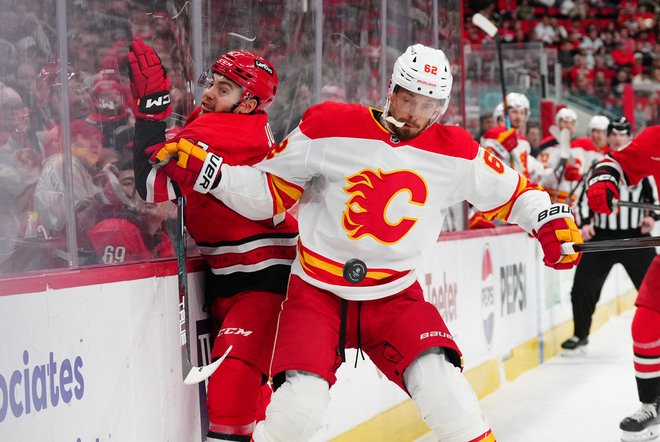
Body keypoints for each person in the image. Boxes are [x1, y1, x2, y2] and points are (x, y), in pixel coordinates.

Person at [156, 43, 584, 442]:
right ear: (391, 89)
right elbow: (269, 195)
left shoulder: (456, 152)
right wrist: (213, 172)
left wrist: (548, 220)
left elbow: (517, 194)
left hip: (394, 298)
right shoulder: (329, 125)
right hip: (316, 294)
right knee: (298, 414)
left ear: (443, 106)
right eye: (408, 98)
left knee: (448, 395)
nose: (416, 113)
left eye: (429, 104)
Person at [127, 38, 298, 442]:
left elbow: (151, 185)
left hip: (262, 283)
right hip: (246, 277)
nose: (209, 93)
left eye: (224, 89)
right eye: (212, 82)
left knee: (233, 387)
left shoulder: (221, 130)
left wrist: (150, 113)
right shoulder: (238, 125)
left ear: (248, 103)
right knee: (253, 394)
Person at [586, 125, 660, 442]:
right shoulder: (656, 139)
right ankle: (652, 405)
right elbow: (615, 163)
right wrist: (605, 181)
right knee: (645, 325)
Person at [562, 117, 658, 354]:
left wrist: (651, 218)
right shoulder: (598, 165)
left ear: (629, 137)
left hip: (636, 238)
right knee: (582, 289)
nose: (617, 139)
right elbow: (582, 200)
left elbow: (653, 201)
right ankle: (580, 334)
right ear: (607, 137)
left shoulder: (643, 163)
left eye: (622, 134)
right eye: (613, 134)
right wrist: (584, 224)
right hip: (601, 238)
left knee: (655, 290)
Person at [537, 107, 585, 205]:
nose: (568, 126)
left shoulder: (579, 151)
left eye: (571, 123)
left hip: (572, 207)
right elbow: (539, 178)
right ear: (557, 124)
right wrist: (560, 171)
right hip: (550, 203)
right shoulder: (548, 149)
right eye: (564, 122)